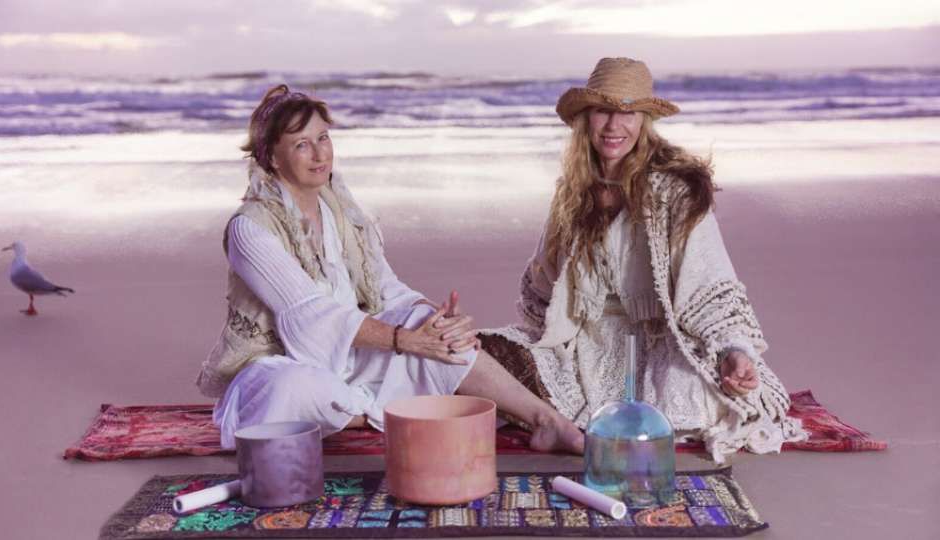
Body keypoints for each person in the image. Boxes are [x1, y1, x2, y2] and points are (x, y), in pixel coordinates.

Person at [197, 84, 584, 454]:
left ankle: (546, 421)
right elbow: (311, 316)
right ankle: (376, 407)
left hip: (351, 357)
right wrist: (406, 341)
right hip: (283, 365)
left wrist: (436, 321)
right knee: (292, 389)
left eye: (324, 138)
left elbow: (386, 288)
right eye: (301, 144)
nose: (319, 154)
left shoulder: (341, 210)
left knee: (436, 333)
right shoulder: (250, 227)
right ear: (270, 156)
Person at [479, 58, 806, 462]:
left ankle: (561, 413)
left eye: (628, 112)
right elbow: (544, 292)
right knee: (474, 353)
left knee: (694, 398)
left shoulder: (676, 191)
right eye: (604, 111)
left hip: (657, 345)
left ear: (645, 119)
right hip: (583, 345)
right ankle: (552, 419)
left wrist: (734, 351)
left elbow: (711, 288)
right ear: (586, 118)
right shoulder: (572, 189)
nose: (615, 126)